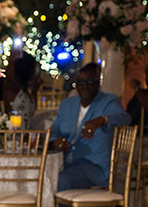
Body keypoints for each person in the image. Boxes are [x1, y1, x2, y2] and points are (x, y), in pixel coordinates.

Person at [49, 62, 132, 191]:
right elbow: (53, 131)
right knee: (43, 177)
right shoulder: (67, 105)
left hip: (94, 169)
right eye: (81, 82)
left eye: (90, 81)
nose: (85, 86)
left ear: (98, 83)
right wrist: (54, 143)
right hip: (65, 163)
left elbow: (124, 118)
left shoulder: (108, 102)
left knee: (60, 181)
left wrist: (102, 120)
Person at [8, 53, 42, 130]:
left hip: (25, 135)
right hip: (13, 135)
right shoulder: (13, 89)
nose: (35, 73)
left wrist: (35, 90)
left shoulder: (26, 91)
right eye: (33, 69)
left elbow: (31, 112)